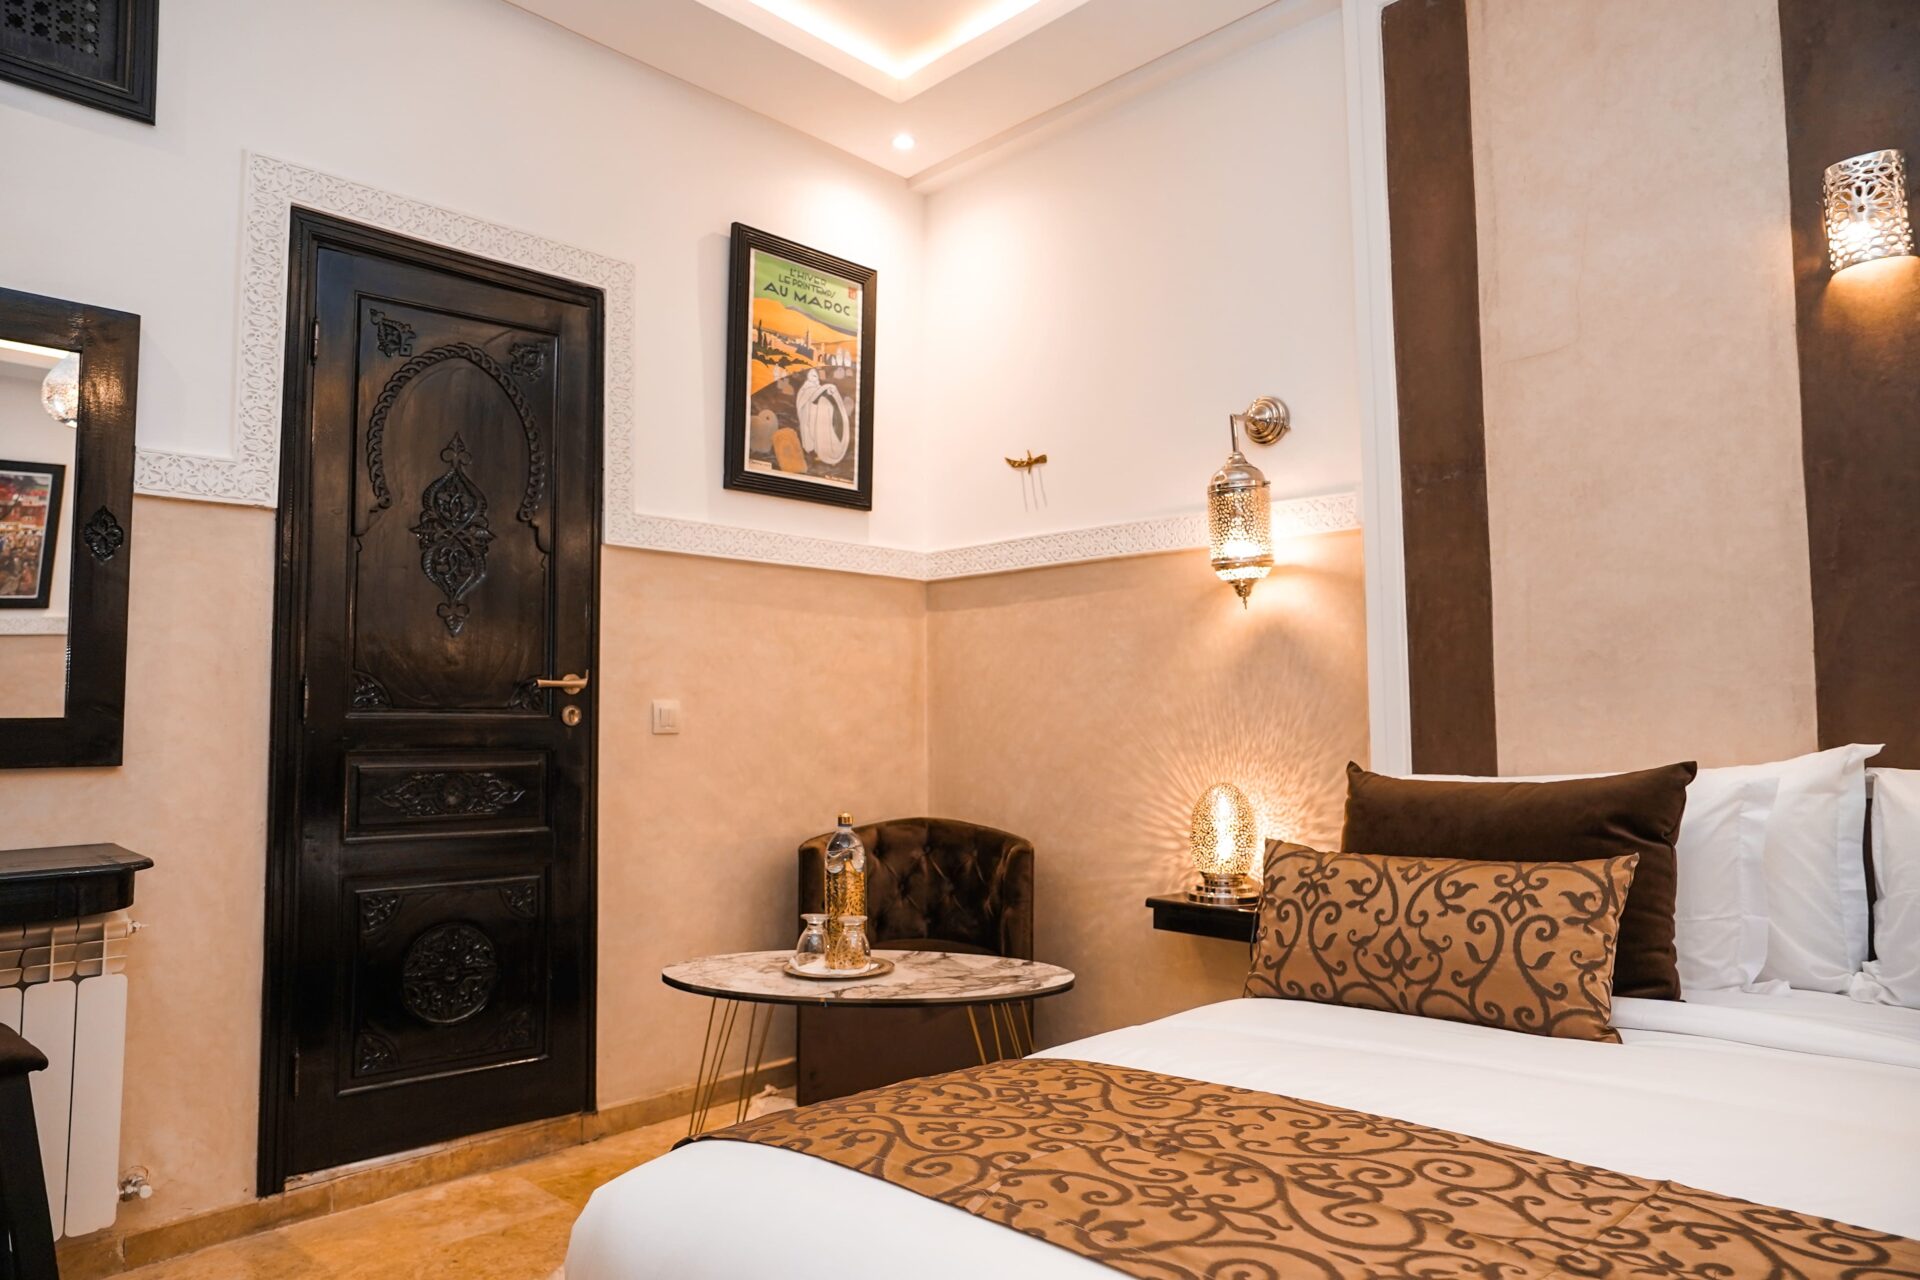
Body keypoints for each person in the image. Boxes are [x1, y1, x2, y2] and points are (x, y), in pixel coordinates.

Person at [793, 368, 852, 467]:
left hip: (820, 418)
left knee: (821, 434)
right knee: (812, 435)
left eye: (815, 375)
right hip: (809, 417)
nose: (814, 376)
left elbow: (823, 399)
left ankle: (824, 453)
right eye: (811, 374)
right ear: (807, 376)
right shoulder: (805, 388)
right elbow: (802, 402)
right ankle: (815, 452)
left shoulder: (820, 387)